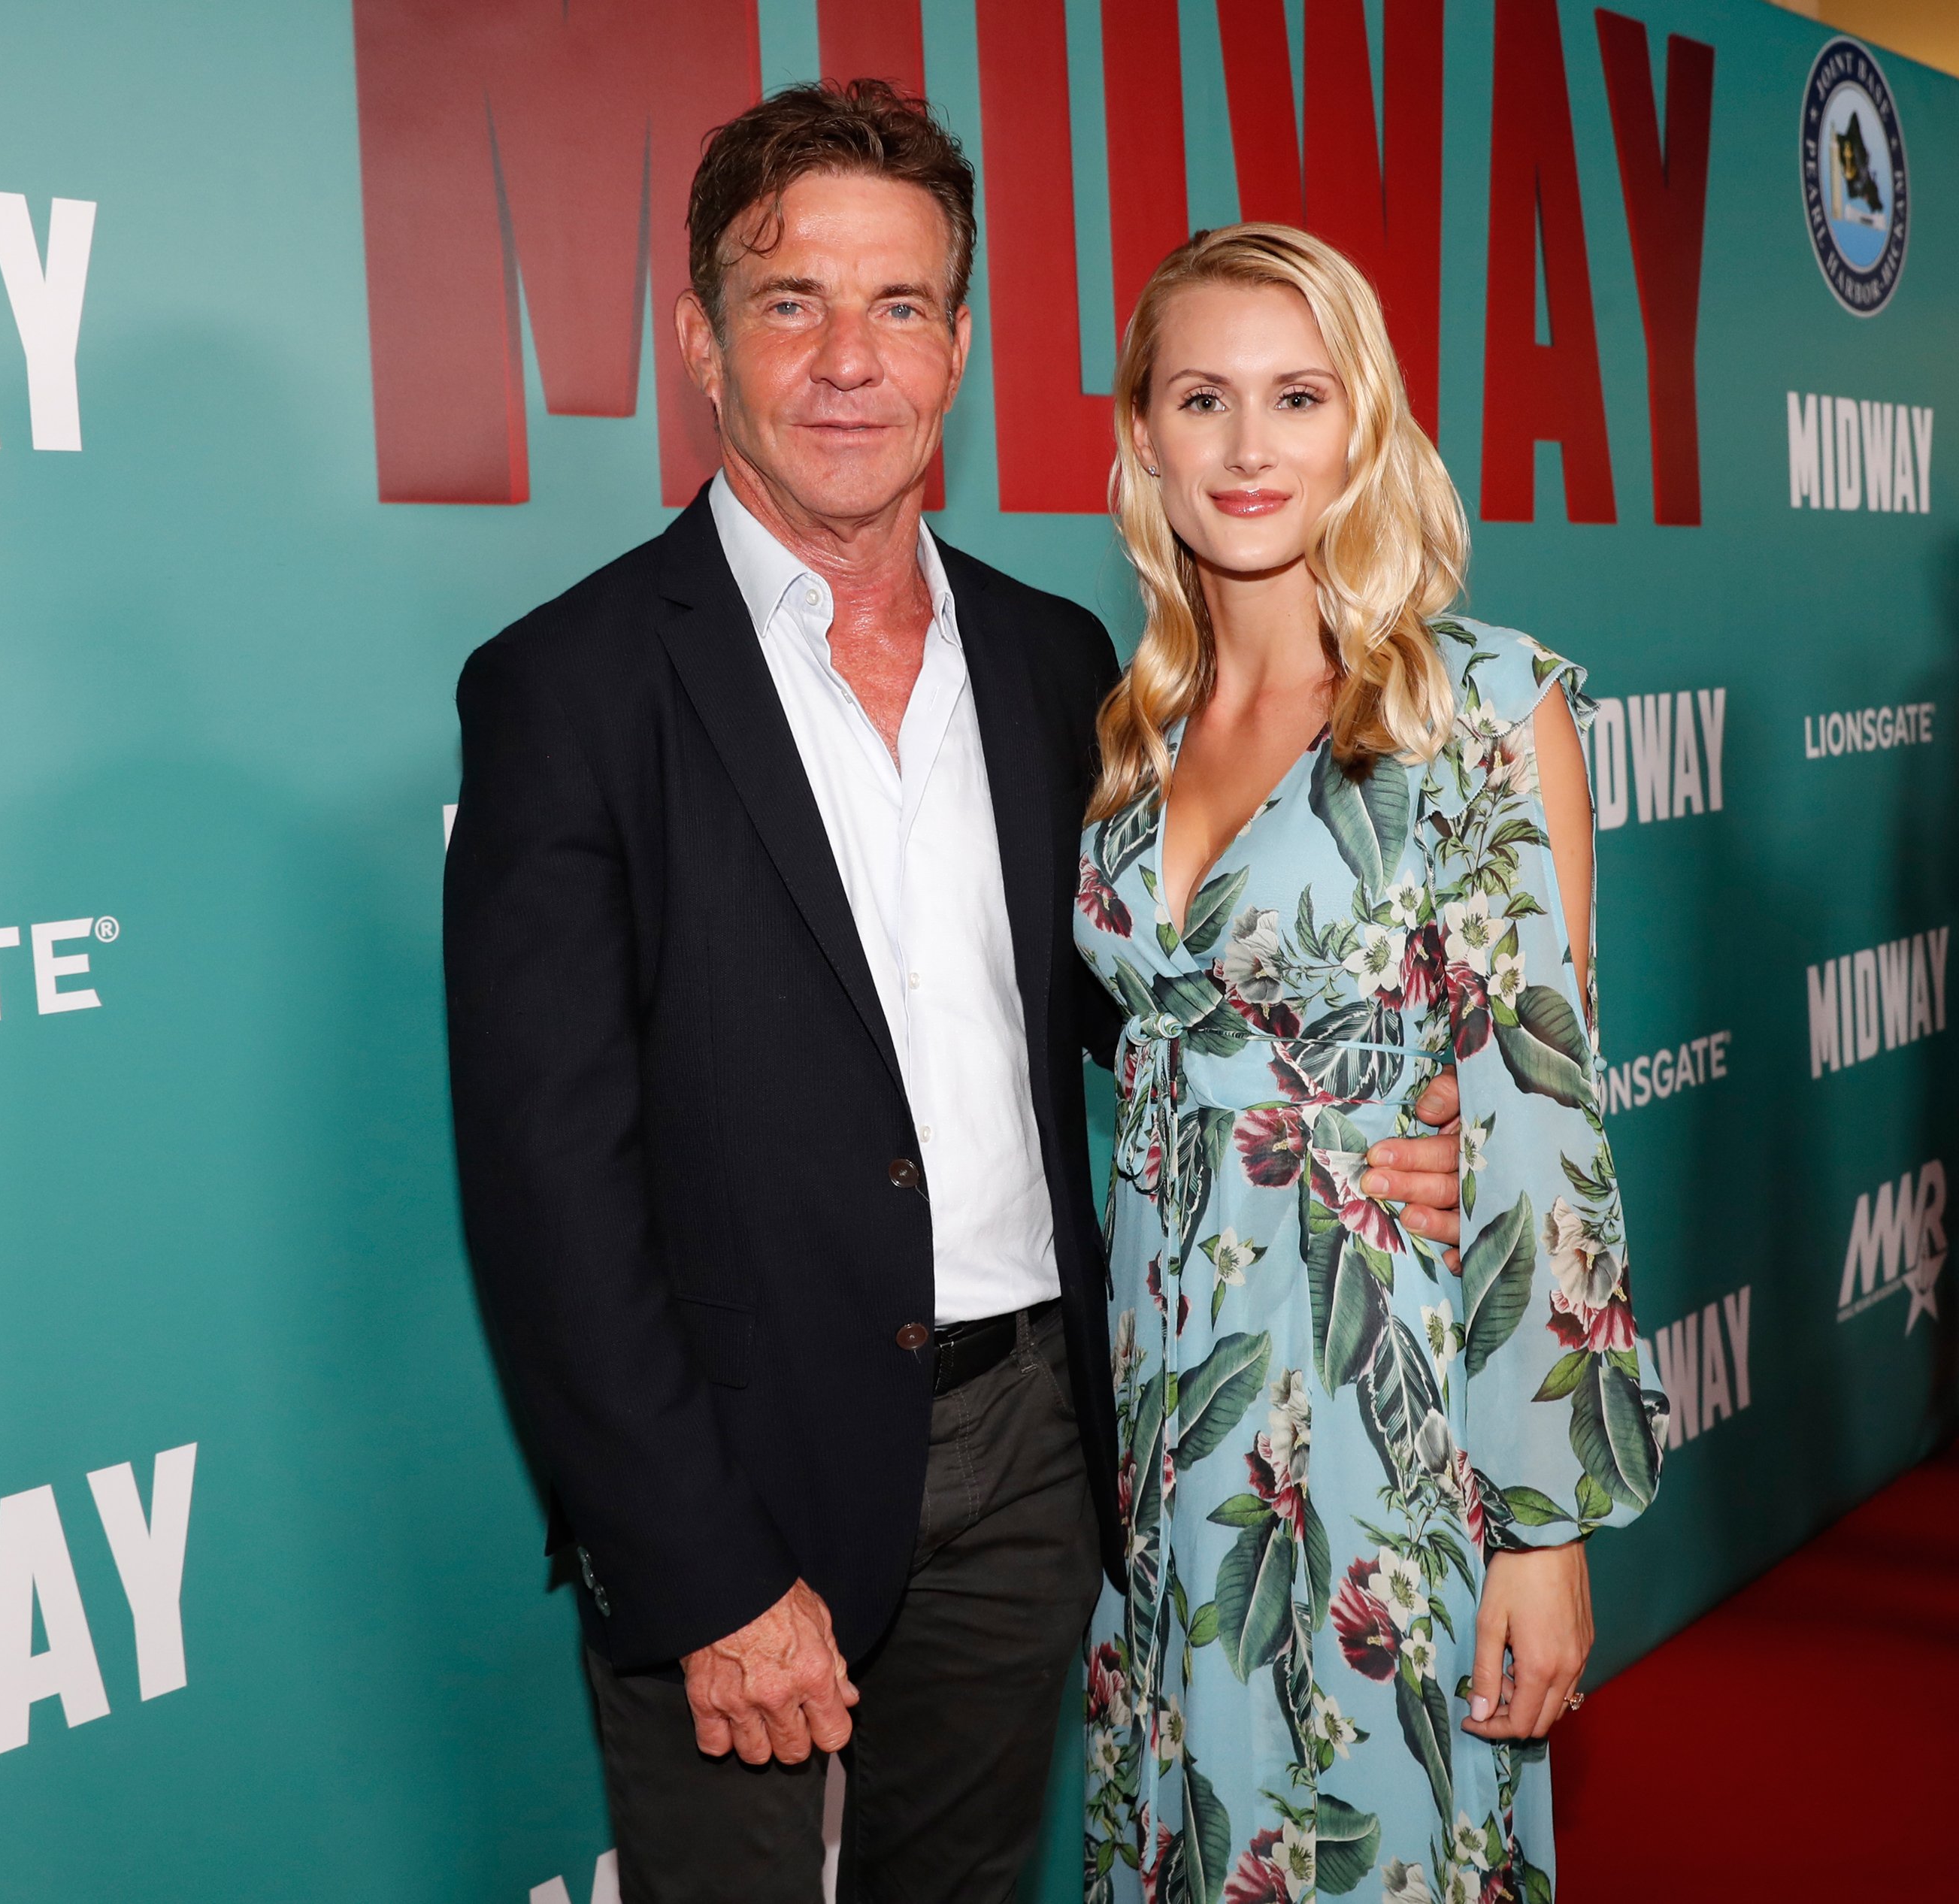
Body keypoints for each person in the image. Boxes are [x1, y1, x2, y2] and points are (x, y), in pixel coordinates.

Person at [444, 87, 1467, 1902]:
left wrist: (1401, 1113)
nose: (849, 360)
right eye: (790, 303)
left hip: (1035, 1447)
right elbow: (546, 1189)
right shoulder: (567, 687)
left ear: (961, 345)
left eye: (900, 306)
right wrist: (698, 1568)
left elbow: (1150, 1008)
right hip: (735, 1470)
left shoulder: (1054, 657)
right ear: (700, 342)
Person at [1070, 225, 1663, 1903]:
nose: (1249, 448)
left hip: (1369, 1404)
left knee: (1358, 1846)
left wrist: (1539, 1531)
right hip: (1157, 1411)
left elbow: (1540, 1131)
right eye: (1202, 398)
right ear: (1143, 437)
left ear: (1365, 427)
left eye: (1296, 395)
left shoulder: (1472, 705)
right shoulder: (1131, 734)